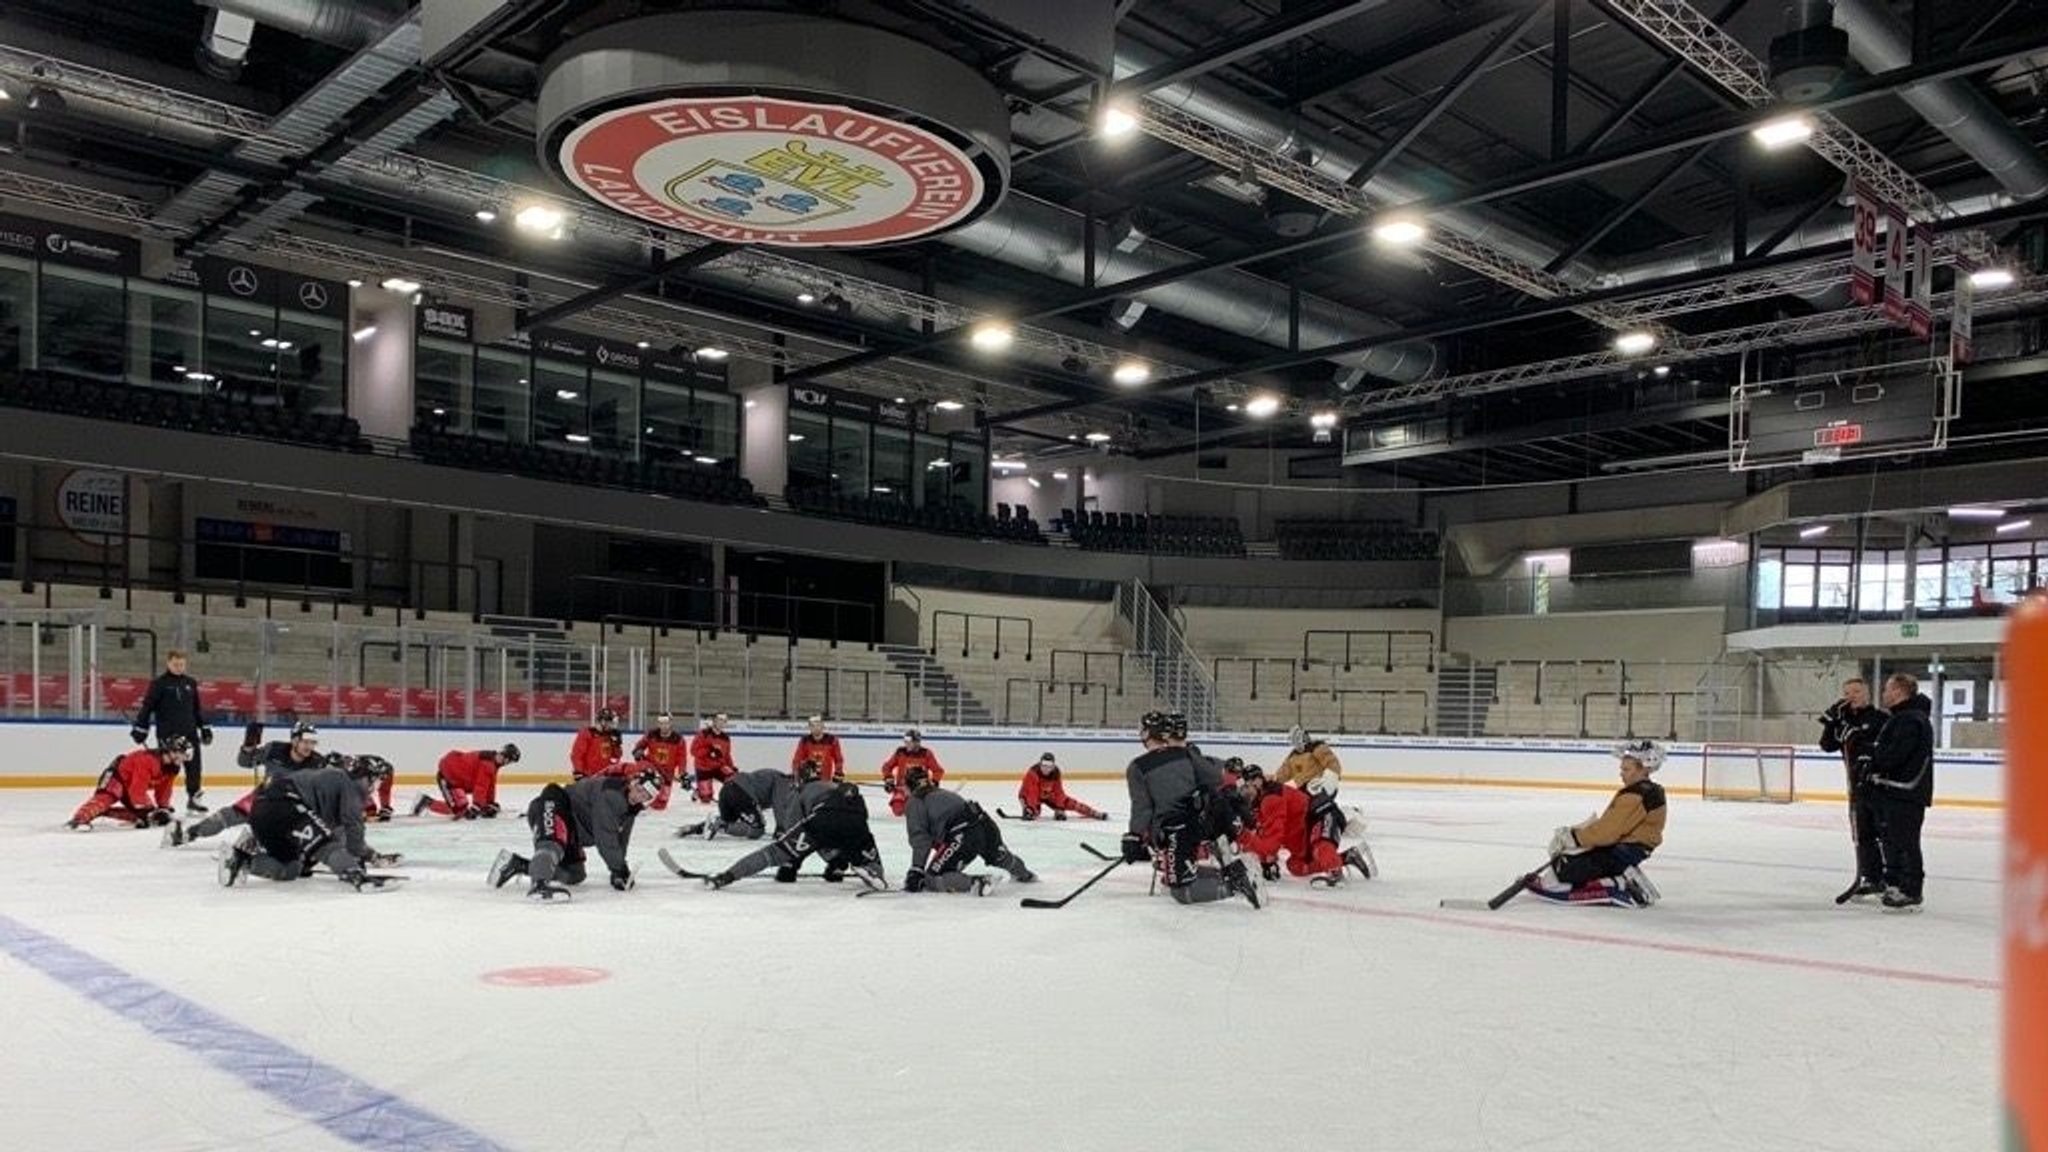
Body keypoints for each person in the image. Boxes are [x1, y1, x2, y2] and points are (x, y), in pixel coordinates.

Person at [1123, 710, 1259, 907]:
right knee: (1174, 867)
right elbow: (1215, 778)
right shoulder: (1186, 753)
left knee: (1181, 890)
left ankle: (1234, 883)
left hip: (1176, 830)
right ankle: (1227, 867)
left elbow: (1142, 808)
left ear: (1145, 734)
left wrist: (1134, 836)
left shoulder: (1137, 767)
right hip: (1203, 823)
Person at [216, 760, 396, 892]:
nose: (376, 787)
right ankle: (355, 876)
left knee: (291, 869)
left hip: (262, 811)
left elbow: (337, 830)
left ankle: (240, 860)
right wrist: (358, 862)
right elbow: (352, 829)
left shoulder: (332, 780)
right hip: (285, 805)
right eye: (378, 781)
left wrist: (364, 855)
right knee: (324, 846)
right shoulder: (351, 785)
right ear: (367, 777)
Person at [703, 759, 884, 889]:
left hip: (823, 816)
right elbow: (851, 818)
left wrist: (790, 866)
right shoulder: (832, 785)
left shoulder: (800, 792)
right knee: (851, 844)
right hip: (856, 817)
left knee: (774, 853)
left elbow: (791, 829)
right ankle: (871, 870)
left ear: (800, 779)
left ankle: (728, 876)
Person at [1525, 740, 1667, 907]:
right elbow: (1613, 826)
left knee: (1563, 869)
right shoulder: (1650, 790)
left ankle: (1616, 884)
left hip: (1622, 852)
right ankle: (1618, 877)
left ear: (1643, 769)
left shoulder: (1637, 794)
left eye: (1626, 769)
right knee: (1571, 860)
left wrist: (1574, 838)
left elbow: (1607, 833)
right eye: (1622, 769)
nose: (1621, 774)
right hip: (1630, 850)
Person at [487, 767, 658, 902]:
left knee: (574, 874)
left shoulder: (629, 810)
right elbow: (605, 838)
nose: (640, 796)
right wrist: (619, 869)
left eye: (646, 796)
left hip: (573, 830)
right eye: (640, 789)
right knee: (554, 844)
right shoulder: (612, 795)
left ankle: (516, 865)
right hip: (555, 804)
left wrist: (619, 872)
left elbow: (620, 840)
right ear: (632, 783)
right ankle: (538, 885)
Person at [1859, 672, 1935, 910]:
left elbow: (1895, 755)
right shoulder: (1904, 717)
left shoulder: (1910, 719)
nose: (1883, 694)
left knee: (1906, 842)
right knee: (1893, 840)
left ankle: (1911, 891)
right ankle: (1896, 882)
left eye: (1887, 689)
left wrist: (1871, 759)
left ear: (1899, 692)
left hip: (1904, 793)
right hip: (1895, 792)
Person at [901, 765, 1034, 895]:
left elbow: (921, 840)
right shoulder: (940, 793)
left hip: (965, 833)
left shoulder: (916, 801)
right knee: (1000, 857)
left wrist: (916, 870)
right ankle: (1025, 874)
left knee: (932, 878)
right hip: (984, 823)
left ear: (910, 785)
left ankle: (979, 882)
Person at [1234, 764, 1374, 886]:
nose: (1244, 792)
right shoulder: (1259, 804)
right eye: (1242, 788)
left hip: (1320, 816)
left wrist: (1244, 836)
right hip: (1304, 833)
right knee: (1296, 866)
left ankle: (1336, 874)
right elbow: (1264, 835)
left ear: (1258, 782)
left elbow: (1271, 843)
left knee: (1321, 847)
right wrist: (1267, 862)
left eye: (1247, 786)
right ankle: (1347, 857)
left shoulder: (1271, 799)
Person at [1819, 676, 1889, 900]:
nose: (1851, 697)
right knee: (1862, 833)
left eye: (1856, 692)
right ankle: (1872, 877)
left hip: (1880, 785)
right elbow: (1827, 746)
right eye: (1847, 693)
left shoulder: (1880, 718)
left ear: (1867, 693)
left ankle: (1893, 878)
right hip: (1856, 787)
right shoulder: (1843, 719)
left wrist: (1852, 730)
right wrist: (1831, 722)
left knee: (1885, 833)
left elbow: (1878, 746)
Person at [131, 649, 215, 814]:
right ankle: (163, 803)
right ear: (168, 663)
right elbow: (147, 707)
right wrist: (141, 728)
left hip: (190, 733)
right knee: (168, 770)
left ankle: (194, 800)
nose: (179, 667)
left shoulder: (190, 683)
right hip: (168, 735)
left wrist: (205, 728)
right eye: (176, 664)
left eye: (182, 664)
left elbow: (197, 709)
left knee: (194, 767)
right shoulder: (159, 684)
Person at [68, 736, 193, 830]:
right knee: (104, 800)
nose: (184, 759)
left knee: (147, 818)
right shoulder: (147, 761)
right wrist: (145, 809)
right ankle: (79, 820)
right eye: (183, 754)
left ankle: (103, 811)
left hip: (131, 786)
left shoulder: (172, 768)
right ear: (173, 752)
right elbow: (137, 789)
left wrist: (163, 807)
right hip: (116, 777)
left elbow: (164, 789)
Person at [675, 767, 800, 840]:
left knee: (730, 821)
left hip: (727, 790)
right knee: (757, 830)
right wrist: (781, 829)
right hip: (742, 792)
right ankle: (721, 826)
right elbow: (780, 805)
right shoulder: (784, 781)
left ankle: (694, 828)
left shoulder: (774, 775)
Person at [414, 744, 521, 820]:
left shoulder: (492, 761)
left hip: (456, 779)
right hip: (447, 778)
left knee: (462, 808)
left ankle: (426, 802)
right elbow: (481, 786)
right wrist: (478, 806)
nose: (508, 763)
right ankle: (425, 802)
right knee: (459, 811)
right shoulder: (488, 764)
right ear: (507, 759)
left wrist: (489, 803)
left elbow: (489, 785)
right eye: (510, 761)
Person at [1015, 752, 1104, 820]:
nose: (1046, 768)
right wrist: (1030, 808)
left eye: (1049, 766)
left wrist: (1060, 808)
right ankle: (1029, 810)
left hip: (1046, 794)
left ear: (1053, 766)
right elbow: (1032, 792)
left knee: (1072, 804)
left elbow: (1059, 792)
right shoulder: (1032, 773)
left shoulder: (1056, 773)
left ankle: (1094, 813)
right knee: (1035, 814)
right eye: (1044, 765)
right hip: (1027, 795)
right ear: (1040, 764)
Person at [878, 729, 943, 817]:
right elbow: (887, 767)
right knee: (898, 810)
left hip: (920, 790)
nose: (906, 743)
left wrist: (934, 782)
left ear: (917, 742)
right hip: (902, 788)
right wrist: (889, 780)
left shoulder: (927, 753)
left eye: (909, 741)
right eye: (905, 741)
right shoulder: (900, 752)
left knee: (919, 812)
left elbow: (938, 770)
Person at [632, 713, 687, 810]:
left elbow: (682, 758)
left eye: (666, 723)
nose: (663, 726)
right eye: (661, 723)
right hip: (651, 771)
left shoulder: (678, 739)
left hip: (667, 774)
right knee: (641, 795)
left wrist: (682, 773)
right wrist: (637, 750)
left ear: (670, 723)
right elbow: (640, 746)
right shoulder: (651, 734)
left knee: (660, 805)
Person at [1275, 726, 1342, 795]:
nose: (1296, 743)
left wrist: (1328, 780)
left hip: (1318, 785)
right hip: (1301, 787)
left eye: (1297, 739)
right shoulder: (1293, 756)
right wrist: (1274, 782)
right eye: (1294, 740)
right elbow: (1283, 772)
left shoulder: (1316, 748)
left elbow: (1332, 764)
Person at [689, 713, 737, 804]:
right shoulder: (703, 734)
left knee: (734, 780)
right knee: (706, 798)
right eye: (719, 720)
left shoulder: (725, 738)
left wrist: (732, 767)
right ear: (714, 721)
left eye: (724, 721)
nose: (721, 723)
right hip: (703, 768)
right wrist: (709, 751)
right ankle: (699, 791)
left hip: (719, 767)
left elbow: (727, 755)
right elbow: (693, 751)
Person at [570, 707, 624, 780]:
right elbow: (577, 755)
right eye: (610, 723)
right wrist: (579, 771)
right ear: (602, 722)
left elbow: (616, 756)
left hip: (606, 776)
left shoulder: (611, 736)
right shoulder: (587, 733)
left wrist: (617, 745)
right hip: (589, 776)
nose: (612, 726)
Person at [790, 715, 844, 782]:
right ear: (809, 727)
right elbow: (797, 760)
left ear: (823, 726)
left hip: (826, 781)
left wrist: (838, 773)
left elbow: (838, 759)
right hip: (809, 781)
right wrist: (796, 774)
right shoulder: (805, 741)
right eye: (813, 725)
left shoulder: (832, 740)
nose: (816, 728)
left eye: (818, 725)